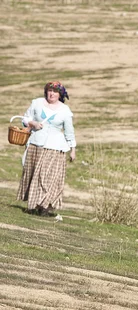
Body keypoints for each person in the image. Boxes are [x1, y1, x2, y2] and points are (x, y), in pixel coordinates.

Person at [17, 81, 76, 216]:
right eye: (50, 91)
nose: (52, 94)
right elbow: (25, 119)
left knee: (49, 177)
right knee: (35, 175)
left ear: (60, 94)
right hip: (36, 144)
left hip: (55, 147)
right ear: (46, 92)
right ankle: (33, 205)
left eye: (55, 92)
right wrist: (33, 123)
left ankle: (45, 206)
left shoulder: (65, 110)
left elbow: (69, 131)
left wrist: (73, 149)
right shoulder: (37, 103)